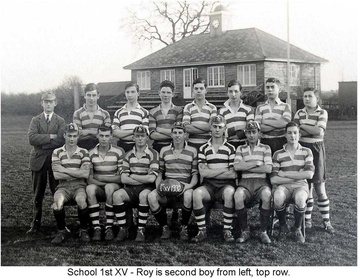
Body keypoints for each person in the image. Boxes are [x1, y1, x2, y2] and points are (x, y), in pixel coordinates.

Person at [148, 122, 198, 241]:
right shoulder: (164, 150)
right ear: (171, 134)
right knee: (151, 196)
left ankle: (184, 227)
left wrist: (189, 186)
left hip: (184, 187)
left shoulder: (192, 150)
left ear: (185, 135)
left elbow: (195, 173)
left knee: (188, 195)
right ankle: (165, 227)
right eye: (175, 133)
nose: (177, 135)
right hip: (168, 187)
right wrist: (158, 186)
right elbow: (160, 172)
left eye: (180, 133)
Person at [294, 88, 334, 233]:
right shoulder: (299, 112)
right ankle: (308, 219)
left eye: (310, 96)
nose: (306, 99)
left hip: (317, 149)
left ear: (317, 98)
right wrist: (310, 128)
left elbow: (319, 131)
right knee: (307, 187)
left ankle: (326, 221)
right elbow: (295, 131)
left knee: (320, 187)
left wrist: (303, 126)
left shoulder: (322, 112)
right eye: (304, 96)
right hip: (303, 148)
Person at [191, 115, 237, 243]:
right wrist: (223, 170)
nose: (217, 130)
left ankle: (227, 230)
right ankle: (202, 231)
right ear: (210, 128)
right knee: (196, 194)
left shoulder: (231, 148)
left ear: (224, 129)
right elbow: (203, 173)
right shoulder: (203, 148)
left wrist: (211, 172)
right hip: (209, 186)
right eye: (215, 127)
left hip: (225, 185)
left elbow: (232, 174)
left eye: (220, 127)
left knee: (229, 193)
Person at [26, 92, 66, 234]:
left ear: (55, 103)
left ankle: (61, 224)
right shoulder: (35, 120)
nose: (48, 104)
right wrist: (50, 137)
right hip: (38, 160)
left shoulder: (60, 121)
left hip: (55, 160)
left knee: (58, 192)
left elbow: (61, 140)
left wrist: (42, 143)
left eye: (51, 101)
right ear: (41, 103)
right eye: (45, 101)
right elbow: (32, 139)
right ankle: (35, 224)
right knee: (38, 194)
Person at [113, 125, 159, 242]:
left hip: (146, 188)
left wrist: (133, 176)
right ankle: (123, 228)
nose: (140, 139)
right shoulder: (127, 154)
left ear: (147, 138)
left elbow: (151, 179)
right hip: (131, 188)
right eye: (137, 136)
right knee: (117, 195)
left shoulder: (153, 154)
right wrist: (142, 177)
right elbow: (124, 179)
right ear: (133, 138)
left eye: (142, 136)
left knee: (144, 196)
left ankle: (141, 229)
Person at [271, 122, 315, 243]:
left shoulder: (307, 151)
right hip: (283, 187)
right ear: (285, 135)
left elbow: (309, 174)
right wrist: (298, 175)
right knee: (278, 197)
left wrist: (285, 174)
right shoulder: (278, 154)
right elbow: (274, 179)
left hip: (301, 186)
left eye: (295, 133)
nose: (292, 136)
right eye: (289, 133)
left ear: (299, 135)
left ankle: (297, 228)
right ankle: (283, 226)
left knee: (301, 198)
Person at [51, 123, 91, 245]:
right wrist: (76, 172)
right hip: (63, 186)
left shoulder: (84, 152)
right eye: (69, 136)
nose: (72, 139)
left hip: (79, 186)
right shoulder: (57, 152)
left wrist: (64, 169)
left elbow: (85, 175)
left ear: (78, 136)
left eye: (74, 136)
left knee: (81, 200)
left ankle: (83, 230)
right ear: (64, 135)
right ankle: (61, 231)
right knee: (57, 202)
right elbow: (57, 176)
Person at [233, 121, 273, 244]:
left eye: (254, 132)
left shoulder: (265, 148)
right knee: (238, 195)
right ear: (245, 133)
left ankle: (263, 231)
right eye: (249, 132)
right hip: (245, 181)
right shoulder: (240, 148)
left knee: (266, 195)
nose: (251, 135)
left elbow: (268, 168)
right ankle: (245, 231)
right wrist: (256, 163)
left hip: (261, 182)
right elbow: (237, 167)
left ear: (259, 133)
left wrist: (246, 165)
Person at [86, 123, 125, 241]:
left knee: (109, 188)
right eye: (101, 135)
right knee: (89, 189)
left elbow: (121, 178)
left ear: (111, 136)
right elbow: (89, 179)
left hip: (113, 187)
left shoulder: (119, 151)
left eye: (107, 136)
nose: (104, 139)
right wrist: (104, 182)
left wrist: (102, 179)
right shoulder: (90, 153)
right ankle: (97, 227)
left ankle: (109, 226)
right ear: (97, 136)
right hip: (99, 186)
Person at [255, 78, 291, 155]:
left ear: (279, 89)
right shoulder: (260, 107)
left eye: (272, 87)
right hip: (264, 142)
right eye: (267, 87)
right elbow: (258, 127)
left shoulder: (285, 106)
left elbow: (285, 123)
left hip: (281, 141)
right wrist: (278, 123)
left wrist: (264, 121)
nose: (270, 90)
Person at [112, 82, 149, 153]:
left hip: (138, 148)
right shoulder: (118, 112)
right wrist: (135, 131)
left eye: (133, 92)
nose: (130, 95)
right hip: (121, 147)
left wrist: (122, 134)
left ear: (138, 93)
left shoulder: (144, 112)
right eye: (127, 92)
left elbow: (144, 134)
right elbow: (115, 133)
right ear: (125, 93)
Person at [73, 83, 111, 150]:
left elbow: (106, 134)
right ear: (85, 96)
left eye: (94, 95)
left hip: (100, 148)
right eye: (89, 95)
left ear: (98, 96)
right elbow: (78, 134)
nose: (91, 98)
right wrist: (97, 132)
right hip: (82, 147)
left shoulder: (105, 114)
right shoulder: (77, 113)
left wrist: (88, 131)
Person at [182, 78, 217, 150]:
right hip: (191, 146)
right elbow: (186, 128)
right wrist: (206, 128)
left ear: (205, 90)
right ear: (193, 90)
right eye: (196, 88)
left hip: (208, 146)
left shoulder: (212, 108)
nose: (198, 91)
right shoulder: (188, 107)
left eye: (201, 88)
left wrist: (192, 124)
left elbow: (211, 127)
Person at [149, 80, 183, 153]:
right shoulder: (152, 112)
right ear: (159, 93)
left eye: (168, 92)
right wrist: (173, 135)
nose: (165, 95)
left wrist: (159, 130)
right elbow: (152, 135)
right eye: (163, 92)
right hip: (157, 147)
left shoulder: (179, 111)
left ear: (173, 94)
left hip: (174, 147)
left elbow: (178, 131)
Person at [219, 80, 255, 149]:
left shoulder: (249, 109)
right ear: (227, 93)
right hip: (227, 147)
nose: (233, 94)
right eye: (230, 91)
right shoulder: (221, 111)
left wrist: (236, 135)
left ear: (241, 92)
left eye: (236, 91)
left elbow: (250, 130)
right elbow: (221, 132)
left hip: (245, 146)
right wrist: (237, 127)